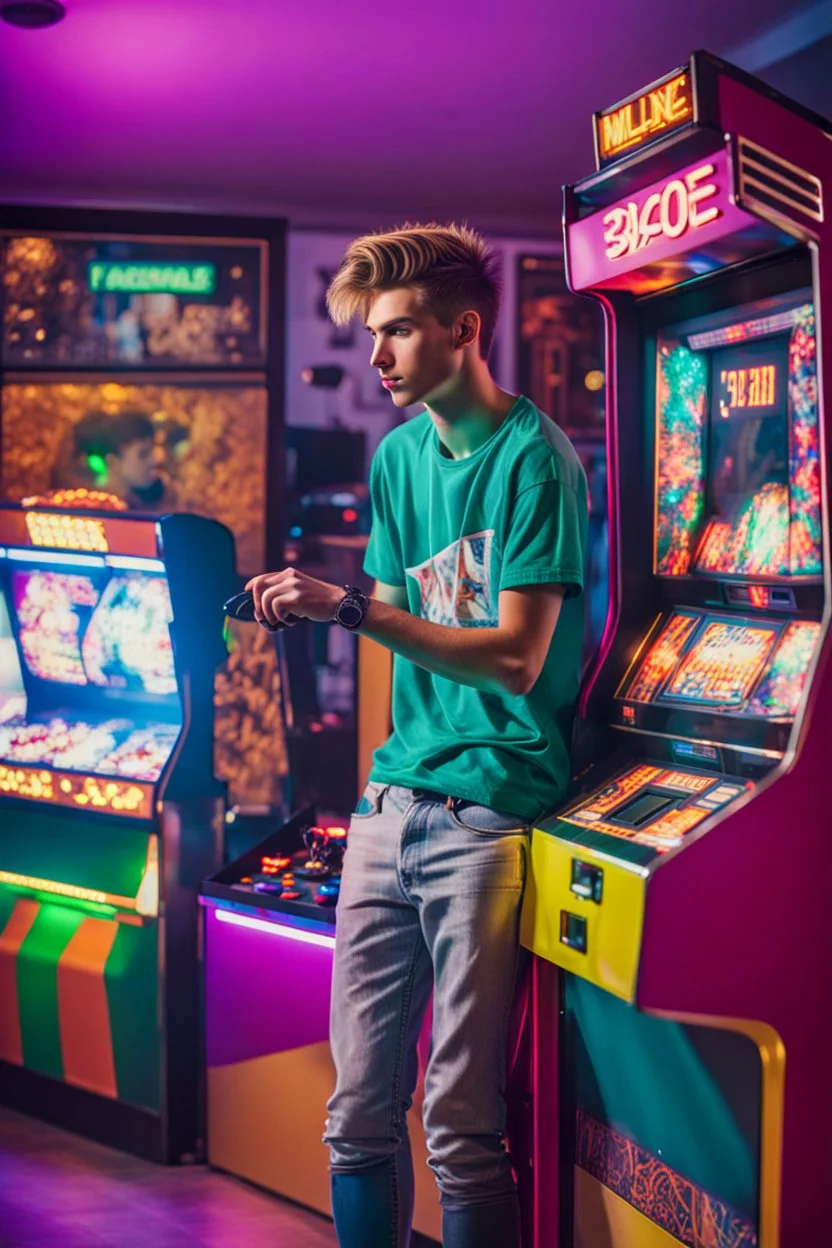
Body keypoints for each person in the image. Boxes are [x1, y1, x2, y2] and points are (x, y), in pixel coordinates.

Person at [246, 223, 588, 1248]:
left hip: (489, 812)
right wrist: (370, 789)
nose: (379, 357)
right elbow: (401, 638)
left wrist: (345, 608)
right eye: (372, 335)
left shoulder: (538, 461)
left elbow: (517, 658)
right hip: (391, 808)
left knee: (459, 1127)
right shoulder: (398, 458)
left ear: (463, 329)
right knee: (355, 1116)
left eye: (397, 332)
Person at [71, 409, 165, 510]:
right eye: (143, 454)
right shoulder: (91, 506)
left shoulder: (135, 504)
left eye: (151, 452)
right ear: (113, 461)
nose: (153, 461)